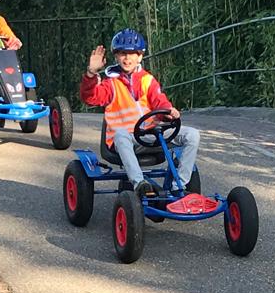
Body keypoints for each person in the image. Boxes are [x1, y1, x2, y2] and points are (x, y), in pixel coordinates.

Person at [80, 29, 200, 199]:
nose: (127, 58)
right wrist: (91, 73)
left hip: (150, 135)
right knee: (120, 135)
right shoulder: (111, 84)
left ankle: (179, 186)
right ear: (116, 56)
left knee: (192, 135)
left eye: (131, 54)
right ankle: (140, 184)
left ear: (140, 57)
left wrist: (168, 112)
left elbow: (159, 101)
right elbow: (90, 97)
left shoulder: (147, 80)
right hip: (124, 140)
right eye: (122, 53)